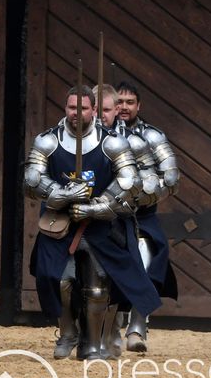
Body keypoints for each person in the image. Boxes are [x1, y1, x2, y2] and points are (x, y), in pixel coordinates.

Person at [25, 86, 161, 360]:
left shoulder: (112, 143)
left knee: (98, 288)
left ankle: (94, 343)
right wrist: (61, 193)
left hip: (99, 225)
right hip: (60, 223)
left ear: (94, 110)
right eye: (72, 107)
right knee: (59, 279)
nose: (77, 113)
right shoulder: (48, 141)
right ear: (65, 108)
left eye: (83, 108)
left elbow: (129, 181)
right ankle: (68, 332)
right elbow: (32, 179)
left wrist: (96, 207)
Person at [115, 81, 180, 353]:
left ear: (138, 106)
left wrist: (144, 196)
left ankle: (137, 326)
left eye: (130, 102)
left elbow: (171, 178)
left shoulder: (152, 136)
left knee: (149, 257)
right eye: (119, 102)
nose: (124, 107)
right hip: (106, 213)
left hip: (142, 214)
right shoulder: (99, 135)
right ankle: (107, 327)